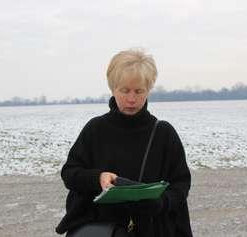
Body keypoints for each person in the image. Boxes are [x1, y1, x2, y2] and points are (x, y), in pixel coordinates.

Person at [56, 49, 192, 237]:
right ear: (113, 88)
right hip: (102, 231)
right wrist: (98, 178)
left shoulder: (163, 133)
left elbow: (181, 184)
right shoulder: (95, 129)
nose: (131, 99)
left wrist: (161, 203)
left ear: (149, 89)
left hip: (153, 230)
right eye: (124, 90)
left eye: (139, 91)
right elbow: (69, 173)